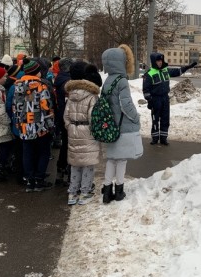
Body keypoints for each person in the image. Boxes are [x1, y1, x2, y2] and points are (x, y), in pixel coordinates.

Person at [101, 44, 143, 204]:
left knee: (111, 159)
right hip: (123, 127)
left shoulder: (108, 81)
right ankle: (119, 191)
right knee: (122, 160)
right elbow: (126, 105)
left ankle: (106, 191)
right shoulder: (122, 81)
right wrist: (136, 117)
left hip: (111, 126)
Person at [12, 59, 55, 192]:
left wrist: (18, 124)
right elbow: (46, 107)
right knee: (43, 152)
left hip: (24, 126)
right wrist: (51, 125)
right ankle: (39, 179)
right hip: (40, 126)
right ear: (37, 72)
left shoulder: (17, 86)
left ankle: (29, 180)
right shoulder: (41, 86)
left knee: (27, 153)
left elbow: (16, 107)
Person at [63, 61, 101, 205]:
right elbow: (93, 117)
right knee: (88, 163)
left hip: (73, 130)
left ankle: (72, 193)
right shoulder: (92, 96)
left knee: (75, 163)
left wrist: (70, 126)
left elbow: (66, 115)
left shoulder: (71, 95)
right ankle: (85, 192)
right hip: (87, 132)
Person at [142, 53, 197, 145]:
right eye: (158, 61)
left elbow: (177, 71)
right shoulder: (149, 74)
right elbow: (146, 89)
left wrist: (188, 67)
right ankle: (155, 138)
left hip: (165, 98)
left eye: (161, 61)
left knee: (165, 119)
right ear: (154, 62)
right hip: (156, 99)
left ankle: (163, 138)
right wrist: (149, 101)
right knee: (155, 119)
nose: (160, 63)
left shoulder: (165, 70)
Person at [53, 57, 73, 186]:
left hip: (61, 115)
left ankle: (62, 170)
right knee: (68, 145)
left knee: (66, 144)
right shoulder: (68, 82)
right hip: (66, 117)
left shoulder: (60, 78)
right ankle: (66, 171)